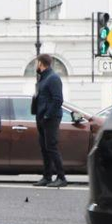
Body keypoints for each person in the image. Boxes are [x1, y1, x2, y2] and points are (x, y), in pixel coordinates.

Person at [31, 53, 67, 188]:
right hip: (41, 117)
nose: (36, 65)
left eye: (36, 63)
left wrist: (47, 116)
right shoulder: (43, 78)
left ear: (41, 63)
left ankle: (61, 177)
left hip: (50, 119)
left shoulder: (53, 78)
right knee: (44, 148)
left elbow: (58, 100)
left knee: (51, 147)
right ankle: (47, 176)